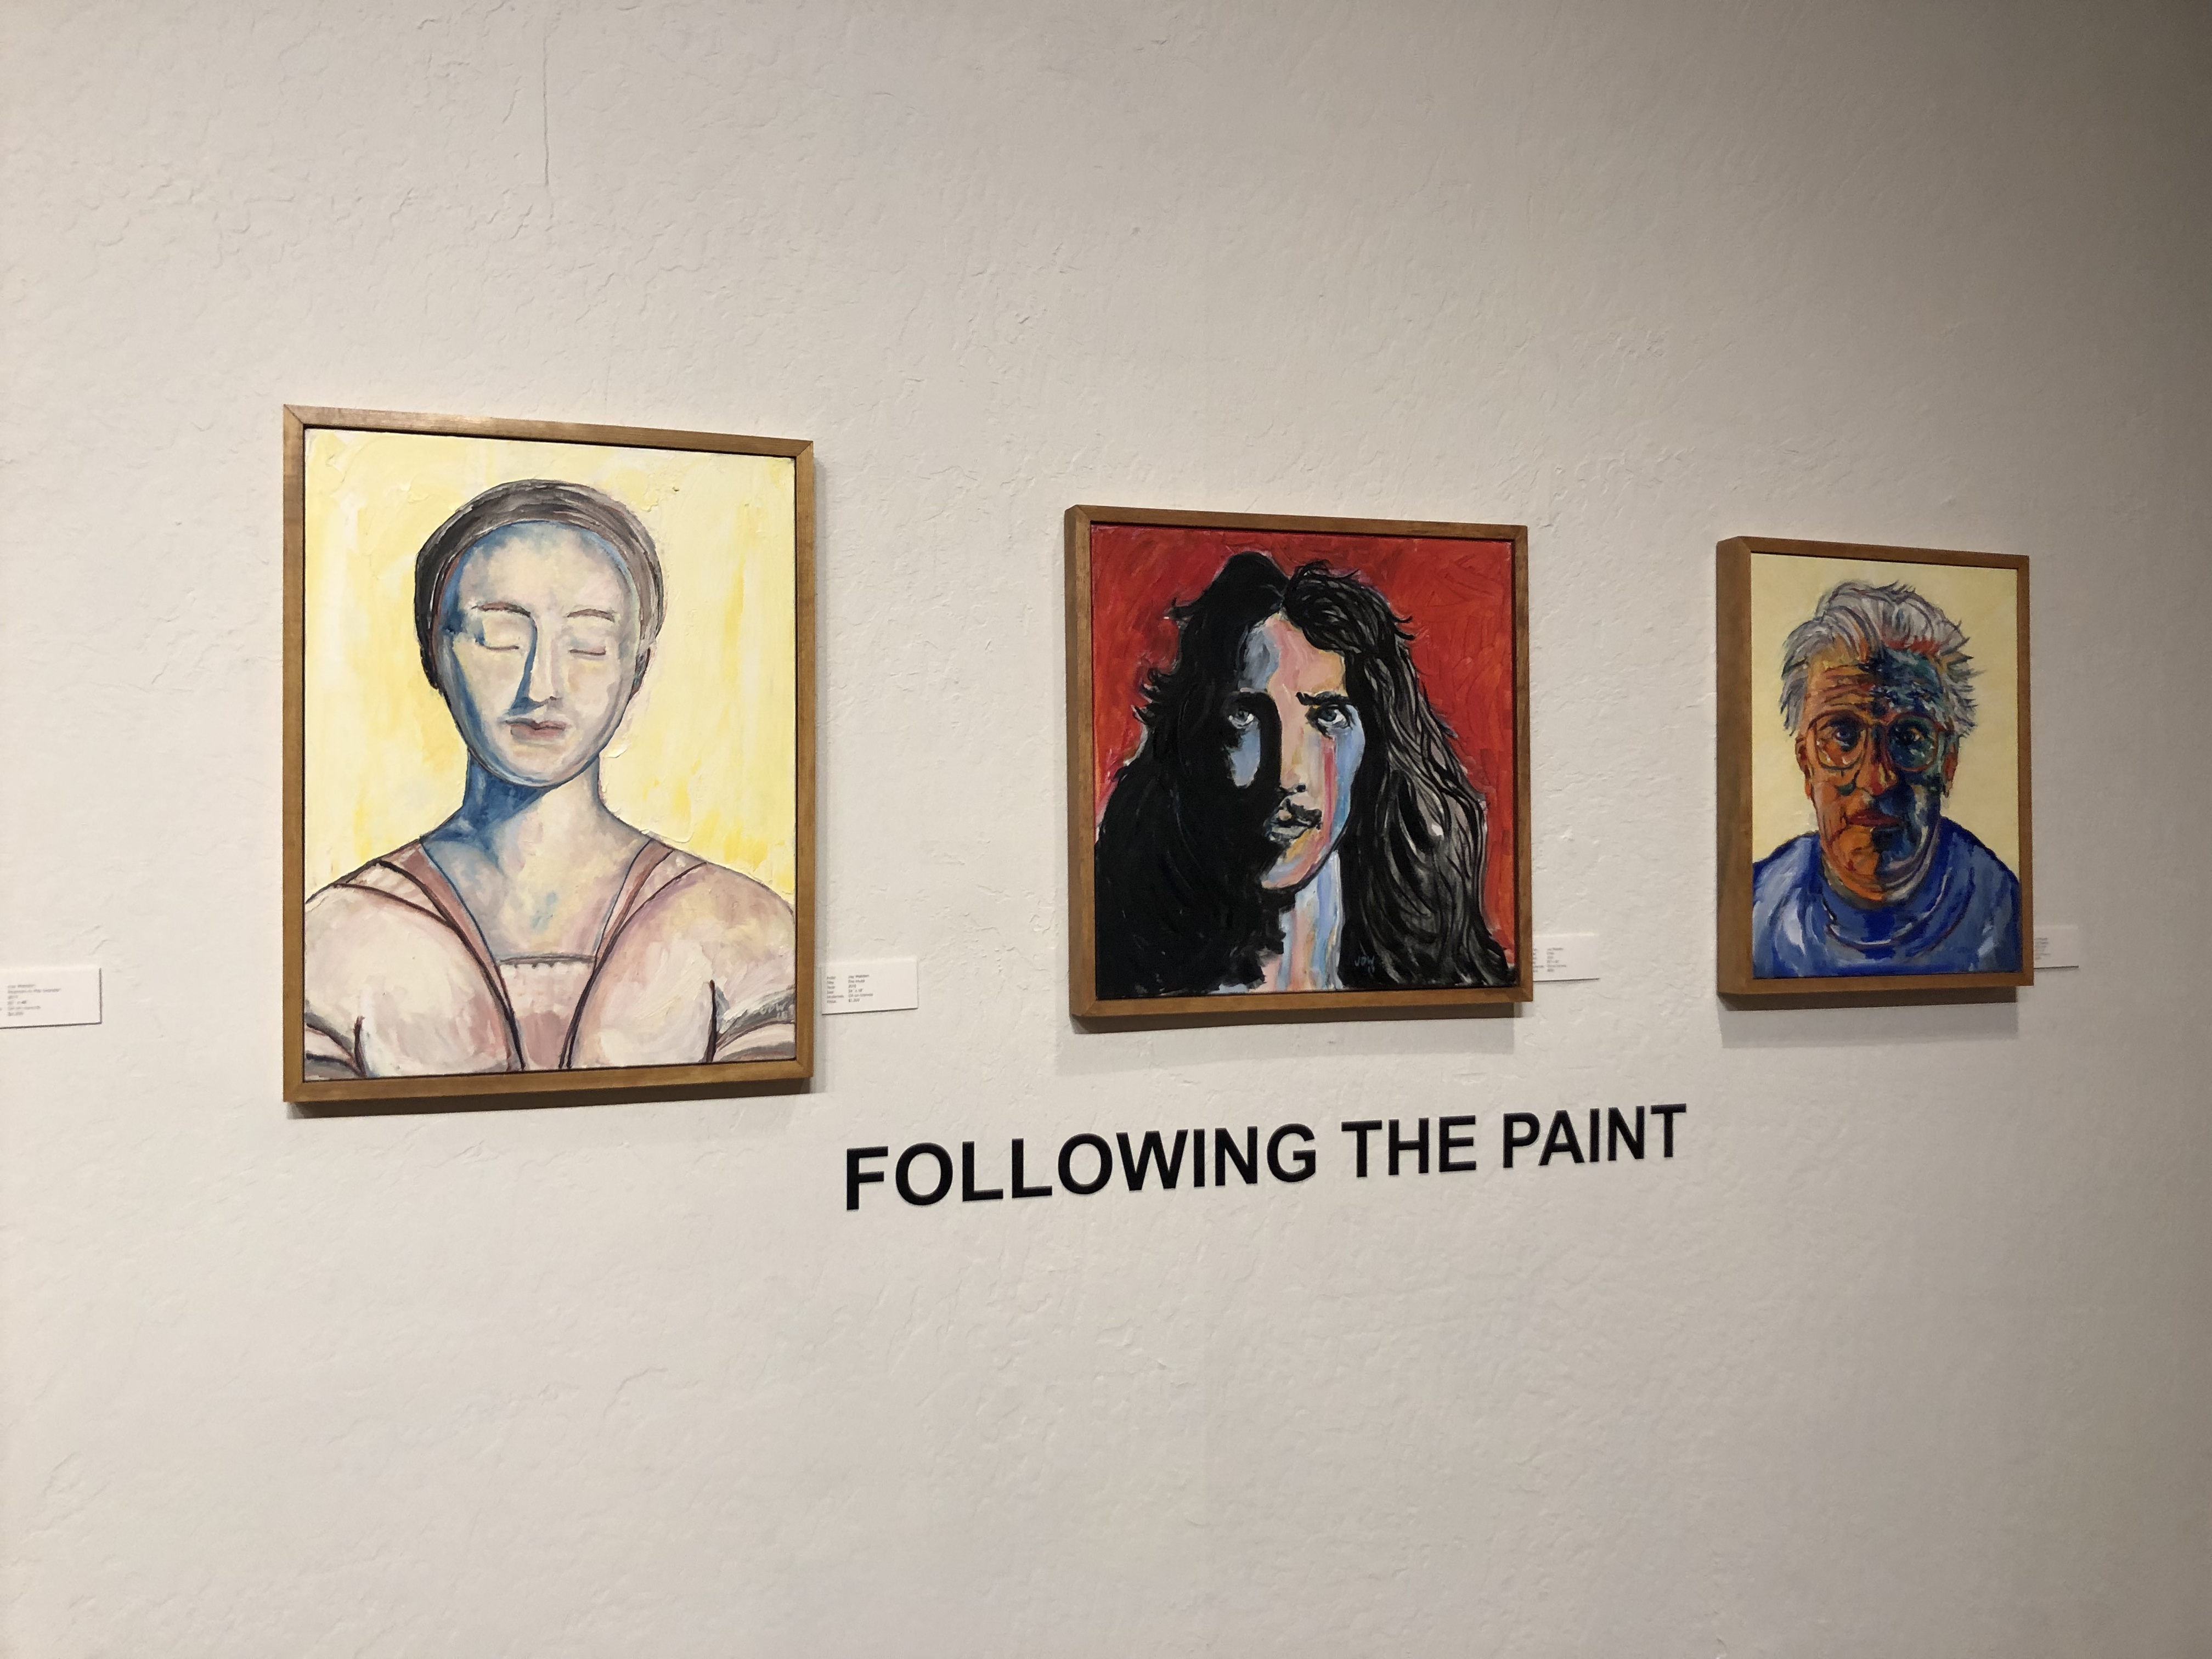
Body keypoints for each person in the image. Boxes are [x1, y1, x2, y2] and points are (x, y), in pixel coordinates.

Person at [303, 479, 795, 1077]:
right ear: (434, 651)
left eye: (588, 643)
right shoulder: (335, 940)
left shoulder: (740, 930)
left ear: (637, 667)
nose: (542, 686)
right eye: (500, 637)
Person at [1093, 550, 1511, 998]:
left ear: (1377, 748)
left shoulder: (1440, 981)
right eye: (1245, 717)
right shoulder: (1129, 978)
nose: (1285, 774)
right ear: (1196, 740)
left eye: (1328, 716)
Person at [1752, 579, 2020, 978]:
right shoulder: (1757, 912)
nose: (1877, 780)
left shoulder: (2001, 915)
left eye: (1909, 737)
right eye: (1843, 735)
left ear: (1948, 763)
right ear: (1807, 765)